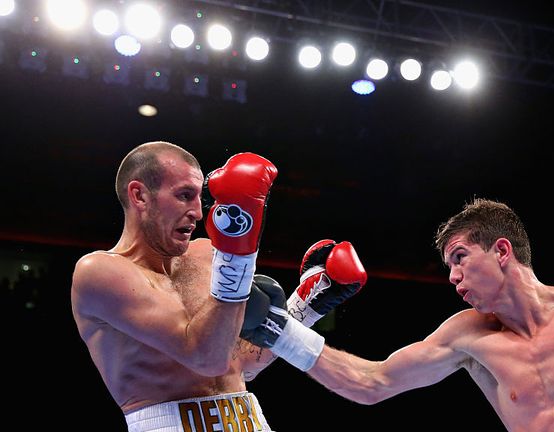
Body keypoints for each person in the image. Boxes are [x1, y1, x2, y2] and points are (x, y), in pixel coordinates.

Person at [241, 198, 554, 432]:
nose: (452, 277)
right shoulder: (467, 336)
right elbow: (373, 383)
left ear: (501, 250)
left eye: (459, 258)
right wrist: (282, 333)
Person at [71, 141, 369, 431]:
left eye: (198, 198)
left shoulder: (204, 253)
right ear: (139, 196)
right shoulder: (99, 272)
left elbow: (241, 364)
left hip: (249, 419)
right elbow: (205, 357)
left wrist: (306, 307)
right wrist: (239, 253)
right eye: (184, 195)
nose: (199, 213)